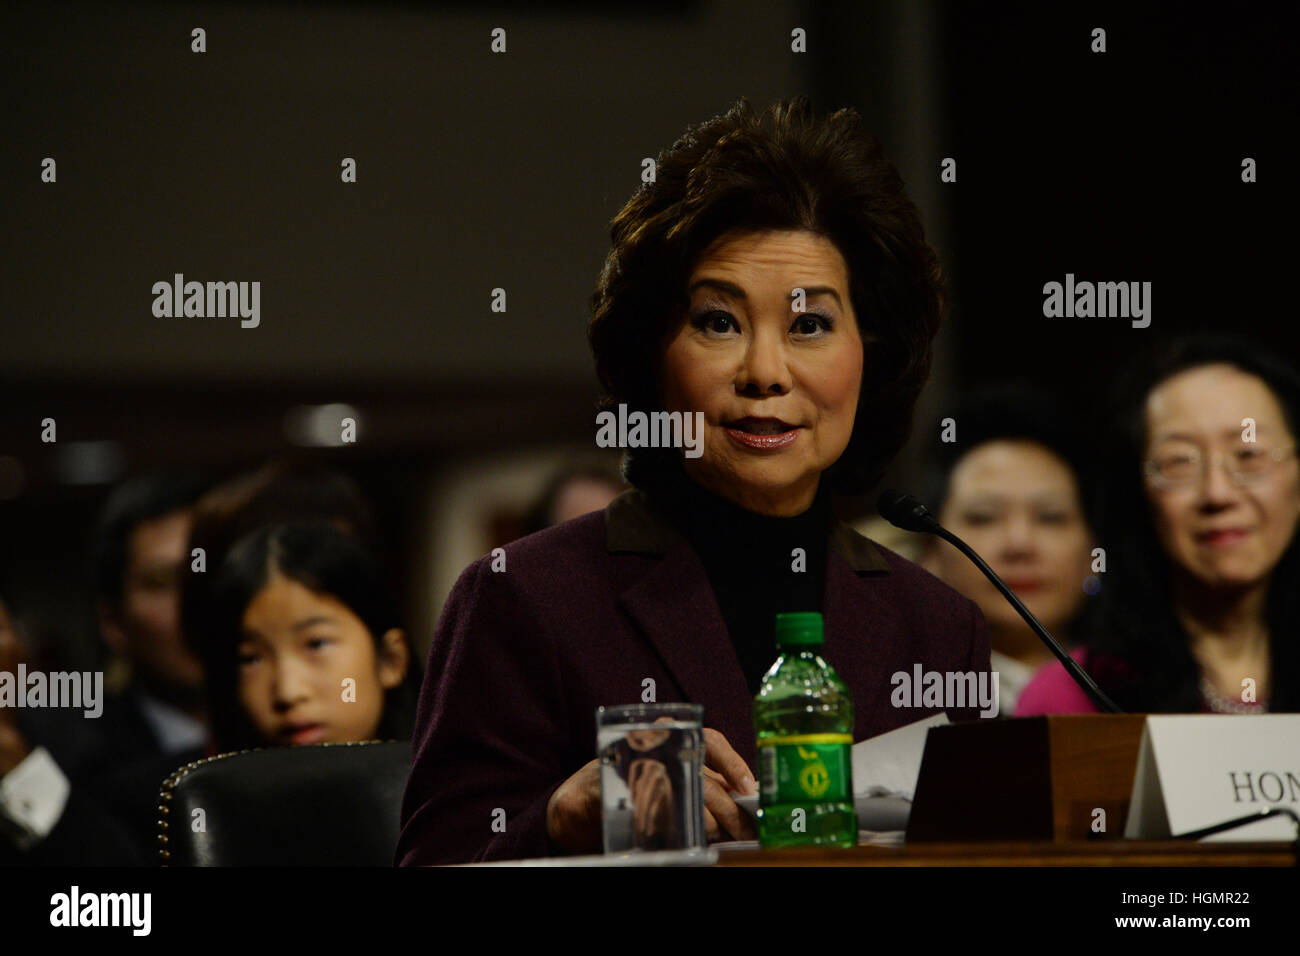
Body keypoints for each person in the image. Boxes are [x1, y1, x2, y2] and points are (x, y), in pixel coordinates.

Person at [396, 96, 991, 866]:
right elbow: (439, 858)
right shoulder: (526, 598)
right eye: (719, 320)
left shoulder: (937, 627)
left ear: (870, 355)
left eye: (810, 324)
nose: (765, 373)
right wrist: (563, 817)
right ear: (653, 352)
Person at [1016, 334, 1300, 715]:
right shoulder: (1073, 697)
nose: (1217, 493)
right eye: (1179, 461)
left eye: (1249, 454)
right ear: (1139, 492)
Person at [1, 473, 210, 864]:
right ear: (114, 623)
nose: (196, 603)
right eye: (163, 583)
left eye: (207, 571)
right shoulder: (67, 756)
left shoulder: (306, 729)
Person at [918, 385, 1098, 715]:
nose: (1020, 544)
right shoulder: (898, 699)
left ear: (1093, 554)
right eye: (984, 517)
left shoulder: (1143, 690)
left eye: (1050, 517)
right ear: (930, 551)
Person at [204, 522, 419, 751]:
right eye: (251, 658)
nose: (288, 692)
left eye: (316, 644)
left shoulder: (450, 780)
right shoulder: (193, 785)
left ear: (390, 659)